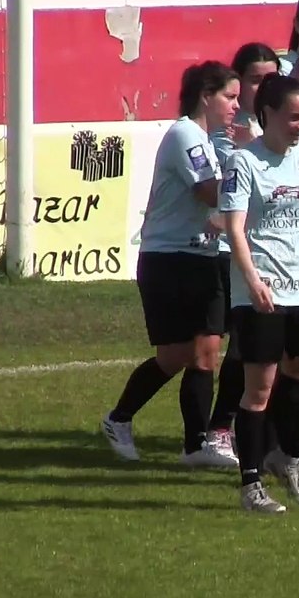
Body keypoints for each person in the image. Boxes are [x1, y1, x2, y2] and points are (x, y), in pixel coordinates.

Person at [101, 61, 241, 469]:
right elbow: (209, 192)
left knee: (206, 351)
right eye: (229, 97)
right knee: (177, 354)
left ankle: (196, 445)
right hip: (170, 258)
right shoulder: (186, 135)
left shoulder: (206, 139)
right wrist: (252, 162)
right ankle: (119, 418)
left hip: (202, 257)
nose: (235, 106)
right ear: (205, 96)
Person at [221, 73, 299, 513]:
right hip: (264, 294)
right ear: (267, 114)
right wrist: (253, 280)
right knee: (258, 392)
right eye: (294, 117)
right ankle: (251, 486)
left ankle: (289, 454)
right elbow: (235, 228)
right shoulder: (244, 162)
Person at [206, 42, 283, 459]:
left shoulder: (278, 130)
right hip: (230, 253)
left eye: (270, 77)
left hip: (275, 255)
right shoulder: (225, 134)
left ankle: (269, 428)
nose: (263, 86)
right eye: (255, 79)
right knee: (240, 346)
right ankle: (221, 426)